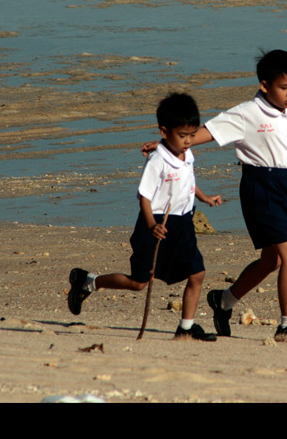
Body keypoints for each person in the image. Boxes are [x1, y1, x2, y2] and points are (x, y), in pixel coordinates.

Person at [142, 49, 287, 342]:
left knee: (272, 261)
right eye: (284, 87)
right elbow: (208, 132)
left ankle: (223, 301)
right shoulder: (248, 113)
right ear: (265, 85)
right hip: (260, 187)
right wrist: (166, 146)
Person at [68, 92, 222, 341]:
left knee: (197, 273)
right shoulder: (157, 160)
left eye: (192, 135)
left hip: (182, 222)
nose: (188, 141)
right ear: (164, 132)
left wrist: (203, 198)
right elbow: (145, 197)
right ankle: (87, 281)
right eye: (182, 136)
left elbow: (187, 182)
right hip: (155, 223)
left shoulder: (187, 153)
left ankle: (186, 327)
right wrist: (152, 225)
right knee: (139, 282)